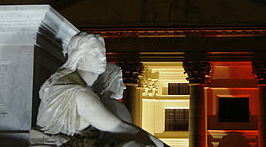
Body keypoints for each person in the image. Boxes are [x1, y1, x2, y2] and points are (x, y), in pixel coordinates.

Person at [31, 32, 167, 147]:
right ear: (78, 57)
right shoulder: (79, 94)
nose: (102, 57)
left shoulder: (65, 83)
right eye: (94, 53)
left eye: (103, 52)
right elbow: (120, 128)